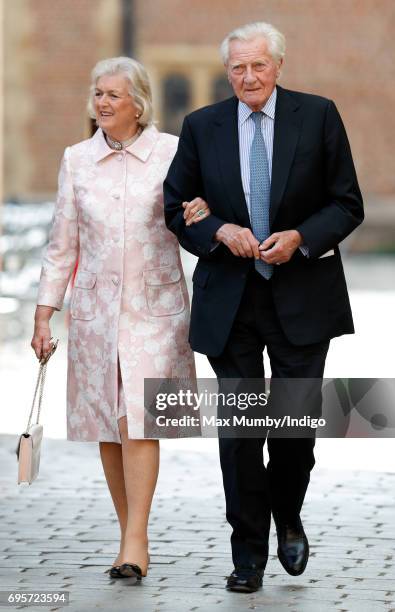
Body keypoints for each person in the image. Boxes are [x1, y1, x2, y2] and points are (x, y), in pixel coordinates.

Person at [164, 22, 363, 592]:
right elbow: (176, 206)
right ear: (227, 72)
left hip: (303, 295)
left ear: (278, 65)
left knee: (294, 428)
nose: (248, 77)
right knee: (242, 433)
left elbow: (347, 203)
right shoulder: (202, 126)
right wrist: (220, 229)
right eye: (237, 68)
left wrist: (300, 237)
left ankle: (289, 517)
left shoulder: (319, 114)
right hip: (231, 301)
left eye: (258, 66)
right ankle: (247, 550)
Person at [31, 57, 209, 581]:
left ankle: (136, 540)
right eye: (97, 93)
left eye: (113, 94)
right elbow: (62, 244)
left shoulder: (173, 152)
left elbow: (195, 212)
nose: (102, 103)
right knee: (108, 424)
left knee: (139, 420)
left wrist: (203, 213)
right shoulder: (76, 159)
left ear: (139, 102)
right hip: (93, 312)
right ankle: (129, 531)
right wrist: (45, 315)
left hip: (155, 309)